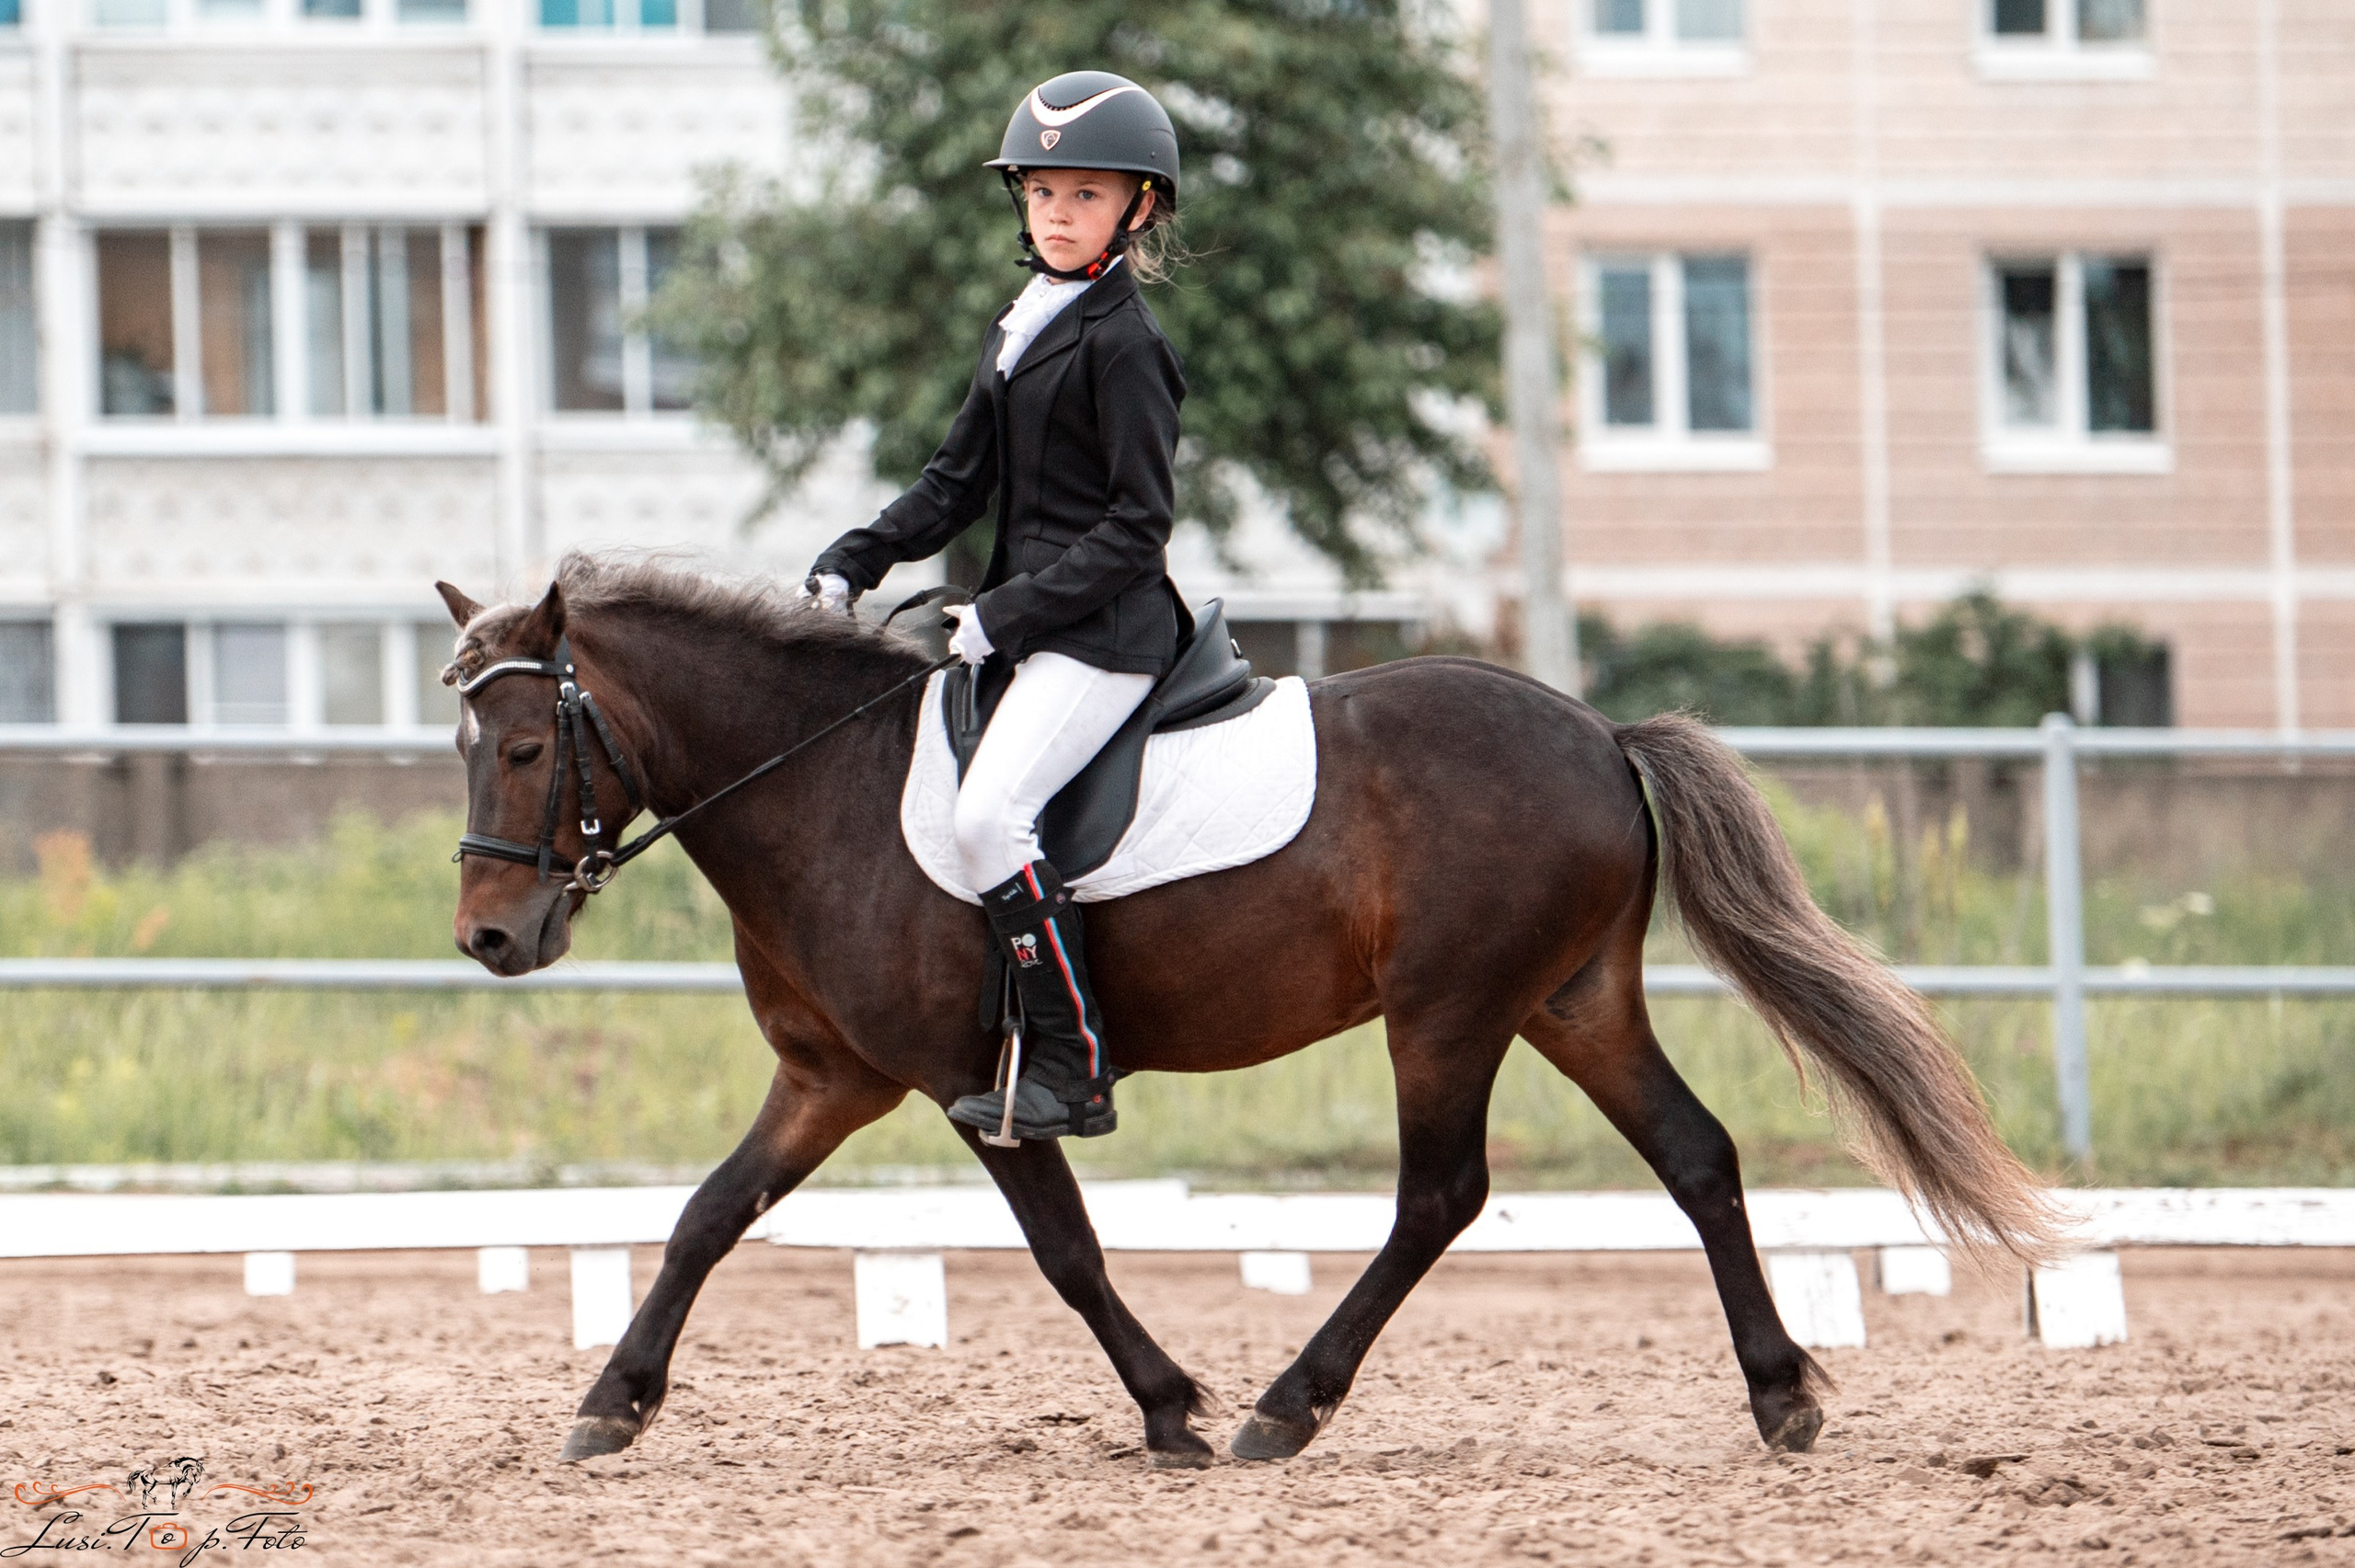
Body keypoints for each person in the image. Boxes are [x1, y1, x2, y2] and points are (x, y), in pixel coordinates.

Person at [805, 70, 1188, 1141]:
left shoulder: (1126, 342)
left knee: (986, 818)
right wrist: (854, 557)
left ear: (1136, 208)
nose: (1059, 217)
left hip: (1103, 636)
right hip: (1032, 626)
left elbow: (1135, 529)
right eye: (1043, 195)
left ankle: (1071, 1064)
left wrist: (1004, 617)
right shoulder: (1023, 322)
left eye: (1086, 197)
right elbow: (953, 484)